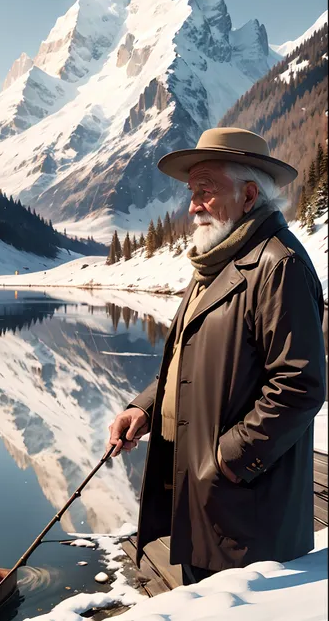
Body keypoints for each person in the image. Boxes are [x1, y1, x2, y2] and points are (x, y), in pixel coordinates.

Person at [108, 127, 326, 586]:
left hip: (245, 518)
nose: (192, 205)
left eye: (205, 191)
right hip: (210, 507)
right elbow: (187, 363)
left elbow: (299, 386)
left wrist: (225, 460)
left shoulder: (277, 265)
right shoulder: (217, 260)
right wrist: (144, 408)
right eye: (192, 192)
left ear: (249, 196)